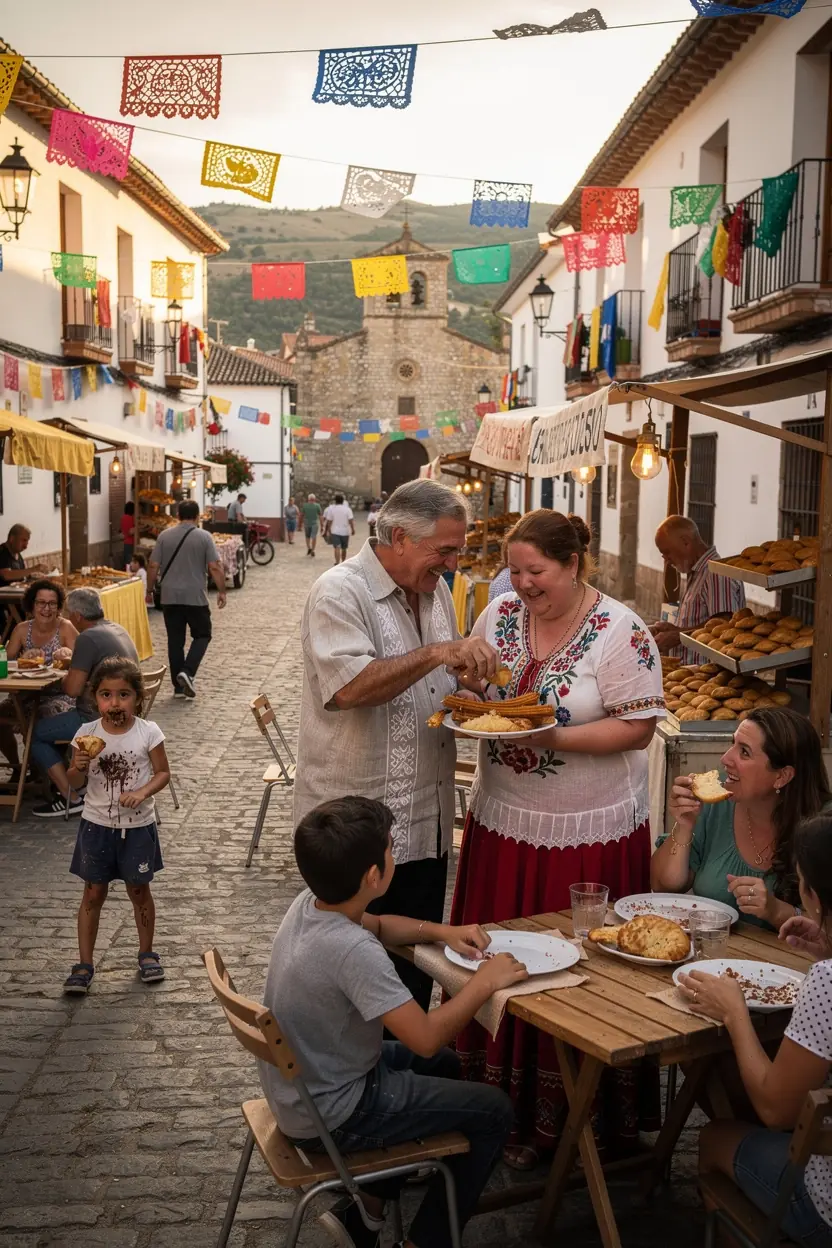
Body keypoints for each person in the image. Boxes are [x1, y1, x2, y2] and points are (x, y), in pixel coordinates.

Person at [450, 508, 665, 1166]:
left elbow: (639, 727)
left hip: (587, 833)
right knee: (502, 964)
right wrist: (470, 683)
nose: (521, 584)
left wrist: (553, 738)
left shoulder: (619, 631)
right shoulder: (501, 612)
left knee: (572, 975)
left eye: (535, 571)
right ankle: (493, 1112)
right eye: (513, 571)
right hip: (505, 822)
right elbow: (478, 683)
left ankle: (574, 1121)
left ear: (573, 565)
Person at [262, 795, 520, 1248]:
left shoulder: (312, 904)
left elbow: (378, 926)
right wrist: (483, 983)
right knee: (494, 1110)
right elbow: (423, 1036)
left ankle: (367, 1214)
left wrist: (443, 932)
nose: (393, 854)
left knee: (444, 1065)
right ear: (373, 876)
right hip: (336, 1112)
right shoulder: (350, 952)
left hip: (308, 1086)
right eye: (390, 848)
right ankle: (424, 1241)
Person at [294, 479, 499, 1011]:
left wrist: (470, 688)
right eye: (445, 550)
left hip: (425, 825)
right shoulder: (340, 591)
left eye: (458, 550)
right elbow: (349, 688)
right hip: (357, 836)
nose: (453, 565)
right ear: (401, 537)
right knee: (354, 986)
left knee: (414, 979)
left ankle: (406, 1078)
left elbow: (438, 684)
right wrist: (437, 654)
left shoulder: (433, 592)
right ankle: (357, 1088)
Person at [680, 812, 832, 1247]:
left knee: (713, 1139)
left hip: (823, 1209)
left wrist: (736, 1015)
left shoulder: (826, 982)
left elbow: (775, 1110)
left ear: (815, 898)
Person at [653, 706, 830, 929]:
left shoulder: (823, 830)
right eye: (732, 743)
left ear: (782, 776)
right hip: (712, 954)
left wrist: (775, 911)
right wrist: (684, 824)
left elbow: (826, 930)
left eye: (744, 752)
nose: (726, 758)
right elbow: (662, 886)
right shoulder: (718, 801)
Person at [61, 657, 171, 995]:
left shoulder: (147, 733)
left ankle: (146, 952)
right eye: (107, 695)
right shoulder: (85, 735)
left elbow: (163, 773)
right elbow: (74, 782)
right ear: (96, 699)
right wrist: (77, 764)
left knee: (139, 890)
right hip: (97, 826)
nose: (115, 703)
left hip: (137, 827)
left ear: (137, 698)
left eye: (123, 695)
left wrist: (142, 792)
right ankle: (84, 963)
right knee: (93, 892)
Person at [31, 587, 138, 819]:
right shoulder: (115, 628)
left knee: (35, 733)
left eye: (70, 613)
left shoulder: (87, 637)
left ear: (78, 616)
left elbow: (72, 689)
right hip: (128, 715)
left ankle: (71, 796)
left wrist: (71, 668)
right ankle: (76, 783)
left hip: (97, 718)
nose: (69, 617)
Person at [146, 500, 227, 700]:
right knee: (203, 635)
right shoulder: (204, 537)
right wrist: (222, 590)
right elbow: (214, 566)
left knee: (175, 641)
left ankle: (178, 687)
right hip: (195, 596)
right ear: (197, 516)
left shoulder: (164, 536)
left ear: (178, 515)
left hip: (169, 596)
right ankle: (188, 672)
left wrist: (149, 589)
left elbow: (153, 565)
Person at [0, 579, 77, 771]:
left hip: (59, 696)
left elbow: (83, 663)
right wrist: (21, 660)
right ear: (32, 605)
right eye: (41, 602)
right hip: (24, 696)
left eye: (52, 603)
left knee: (39, 722)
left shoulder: (65, 628)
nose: (46, 608)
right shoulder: (21, 630)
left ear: (59, 607)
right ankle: (18, 768)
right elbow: (4, 665)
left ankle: (46, 774)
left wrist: (69, 658)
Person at [650, 515, 745, 663]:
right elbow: (702, 622)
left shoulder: (716, 573)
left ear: (685, 542)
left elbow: (723, 626)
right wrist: (673, 630)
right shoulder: (697, 572)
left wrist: (677, 637)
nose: (666, 560)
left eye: (667, 552)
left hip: (710, 679)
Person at [323, 492, 355, 566]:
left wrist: (328, 530)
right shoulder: (347, 509)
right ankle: (343, 562)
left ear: (335, 501)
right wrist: (353, 529)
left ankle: (337, 562)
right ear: (343, 501)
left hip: (335, 531)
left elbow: (329, 521)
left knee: (337, 547)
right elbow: (351, 521)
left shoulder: (332, 509)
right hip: (345, 531)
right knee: (344, 548)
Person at [120, 502, 136, 570]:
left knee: (127, 561)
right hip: (132, 542)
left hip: (126, 541)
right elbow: (131, 531)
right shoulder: (132, 518)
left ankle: (127, 573)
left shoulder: (123, 518)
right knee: (131, 560)